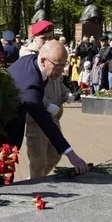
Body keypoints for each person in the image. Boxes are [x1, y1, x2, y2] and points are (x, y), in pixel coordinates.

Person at [6, 40, 90, 176]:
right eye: (58, 66)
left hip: (13, 118)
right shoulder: (31, 86)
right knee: (2, 173)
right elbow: (46, 123)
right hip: (4, 128)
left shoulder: (32, 60)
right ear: (43, 61)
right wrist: (72, 155)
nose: (61, 71)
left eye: (64, 65)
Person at [18, 20, 73, 177]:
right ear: (34, 38)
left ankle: (36, 179)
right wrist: (46, 105)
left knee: (55, 155)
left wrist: (66, 93)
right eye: (44, 38)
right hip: (37, 117)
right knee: (38, 160)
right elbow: (28, 90)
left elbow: (58, 80)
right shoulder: (29, 58)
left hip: (54, 115)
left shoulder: (53, 53)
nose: (48, 41)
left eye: (50, 37)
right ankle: (35, 183)